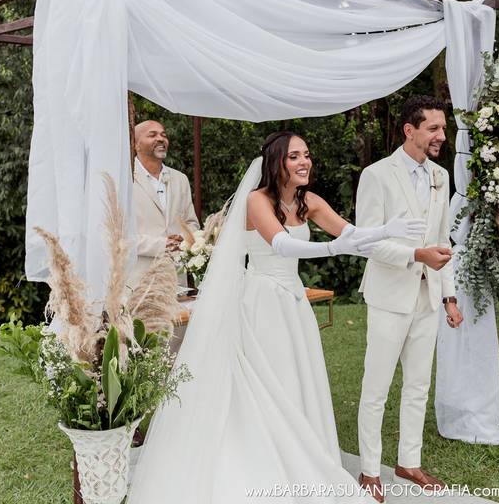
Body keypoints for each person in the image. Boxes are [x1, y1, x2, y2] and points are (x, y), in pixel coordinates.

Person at [128, 132, 425, 503]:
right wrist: (333, 248)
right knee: (268, 379)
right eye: (294, 156)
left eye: (306, 154)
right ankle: (265, 455)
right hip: (262, 299)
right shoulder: (257, 200)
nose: (305, 161)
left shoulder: (308, 200)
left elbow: (352, 234)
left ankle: (298, 450)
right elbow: (281, 244)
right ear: (277, 163)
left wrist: (387, 232)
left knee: (295, 377)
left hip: (292, 301)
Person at [355, 95, 463, 502]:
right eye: (433, 128)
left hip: (428, 297)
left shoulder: (440, 176)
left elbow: (442, 239)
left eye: (443, 128)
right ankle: (369, 469)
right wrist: (416, 256)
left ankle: (409, 462)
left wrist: (449, 296)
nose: (441, 135)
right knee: (376, 387)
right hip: (389, 295)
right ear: (409, 130)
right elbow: (367, 241)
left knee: (418, 385)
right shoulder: (376, 175)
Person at [130, 120, 199, 287]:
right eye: (152, 135)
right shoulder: (125, 179)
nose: (161, 138)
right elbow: (119, 235)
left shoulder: (180, 179)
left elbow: (192, 223)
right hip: (139, 279)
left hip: (176, 277)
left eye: (163, 135)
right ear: (136, 144)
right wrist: (162, 245)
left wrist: (183, 238)